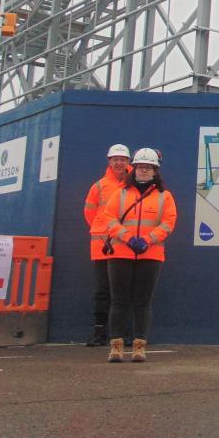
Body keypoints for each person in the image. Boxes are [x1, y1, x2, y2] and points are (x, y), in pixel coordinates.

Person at [97, 147, 176, 363]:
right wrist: (127, 238)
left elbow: (169, 223)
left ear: (155, 171)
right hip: (120, 253)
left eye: (148, 168)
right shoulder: (120, 193)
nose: (144, 170)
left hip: (150, 255)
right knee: (119, 301)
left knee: (143, 302)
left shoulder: (164, 196)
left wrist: (148, 239)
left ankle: (140, 346)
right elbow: (109, 218)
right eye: (141, 167)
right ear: (135, 168)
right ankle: (116, 347)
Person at [83, 144, 131, 347]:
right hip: (103, 246)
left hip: (126, 245)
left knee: (123, 290)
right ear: (109, 161)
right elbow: (89, 214)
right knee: (103, 290)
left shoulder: (135, 185)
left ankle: (121, 334)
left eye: (122, 159)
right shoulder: (99, 186)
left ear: (128, 162)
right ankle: (99, 332)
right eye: (115, 159)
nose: (119, 163)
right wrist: (105, 233)